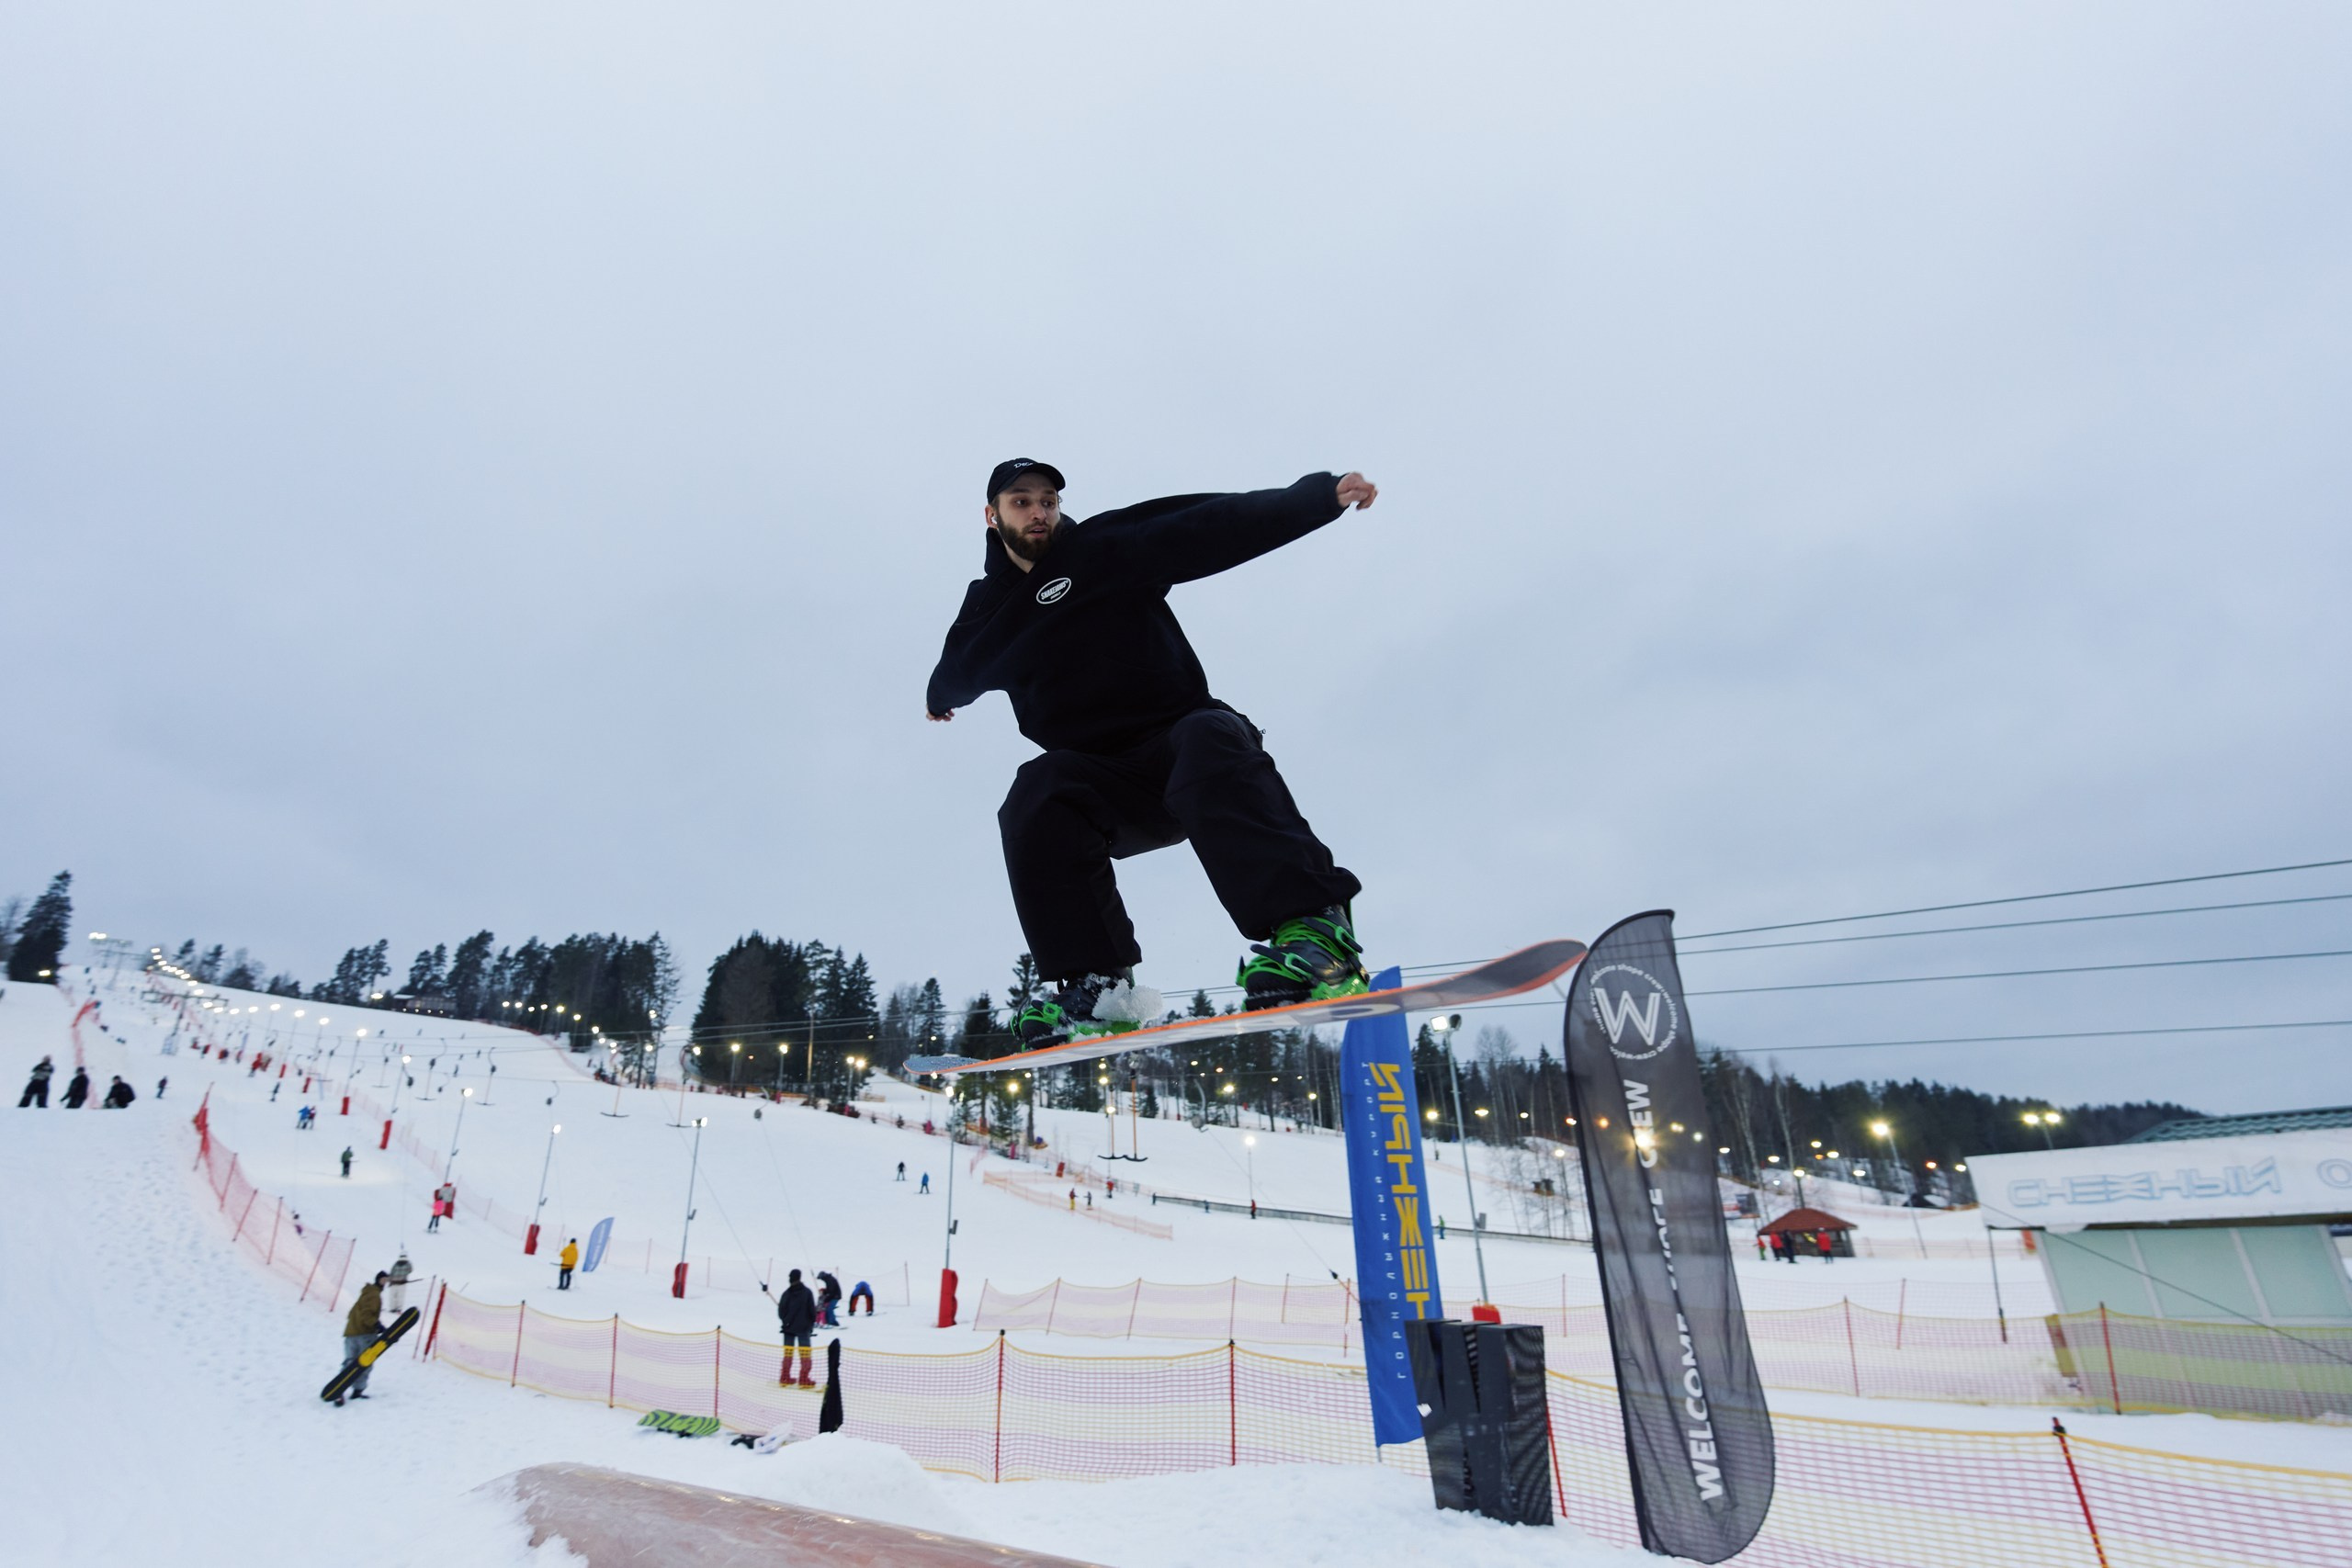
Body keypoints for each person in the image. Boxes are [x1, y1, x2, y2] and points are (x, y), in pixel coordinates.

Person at [925, 459, 1378, 1045]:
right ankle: (1098, 987)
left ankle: (1315, 932)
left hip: (1191, 748)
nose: (1039, 512)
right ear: (992, 516)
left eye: (1048, 501)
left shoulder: (1104, 549)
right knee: (1039, 788)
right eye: (1021, 502)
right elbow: (960, 665)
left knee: (1204, 734)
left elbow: (1205, 527)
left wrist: (1311, 500)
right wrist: (939, 697)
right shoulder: (989, 608)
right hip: (1109, 785)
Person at [334, 1270, 390, 1407]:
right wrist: (378, 1325)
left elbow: (356, 1313)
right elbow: (366, 1314)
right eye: (383, 1280)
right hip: (364, 1334)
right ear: (378, 1280)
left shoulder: (366, 1293)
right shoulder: (374, 1294)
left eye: (386, 1281)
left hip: (351, 1333)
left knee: (350, 1363)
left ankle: (338, 1389)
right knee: (365, 1363)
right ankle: (357, 1391)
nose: (384, 1283)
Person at [776, 1269, 818, 1388]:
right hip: (803, 1328)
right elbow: (812, 1311)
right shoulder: (807, 1293)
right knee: (805, 1353)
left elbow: (781, 1312)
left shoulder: (786, 1294)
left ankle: (785, 1377)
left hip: (788, 1328)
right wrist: (810, 1325)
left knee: (788, 1353)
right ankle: (804, 1378)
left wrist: (786, 1321)